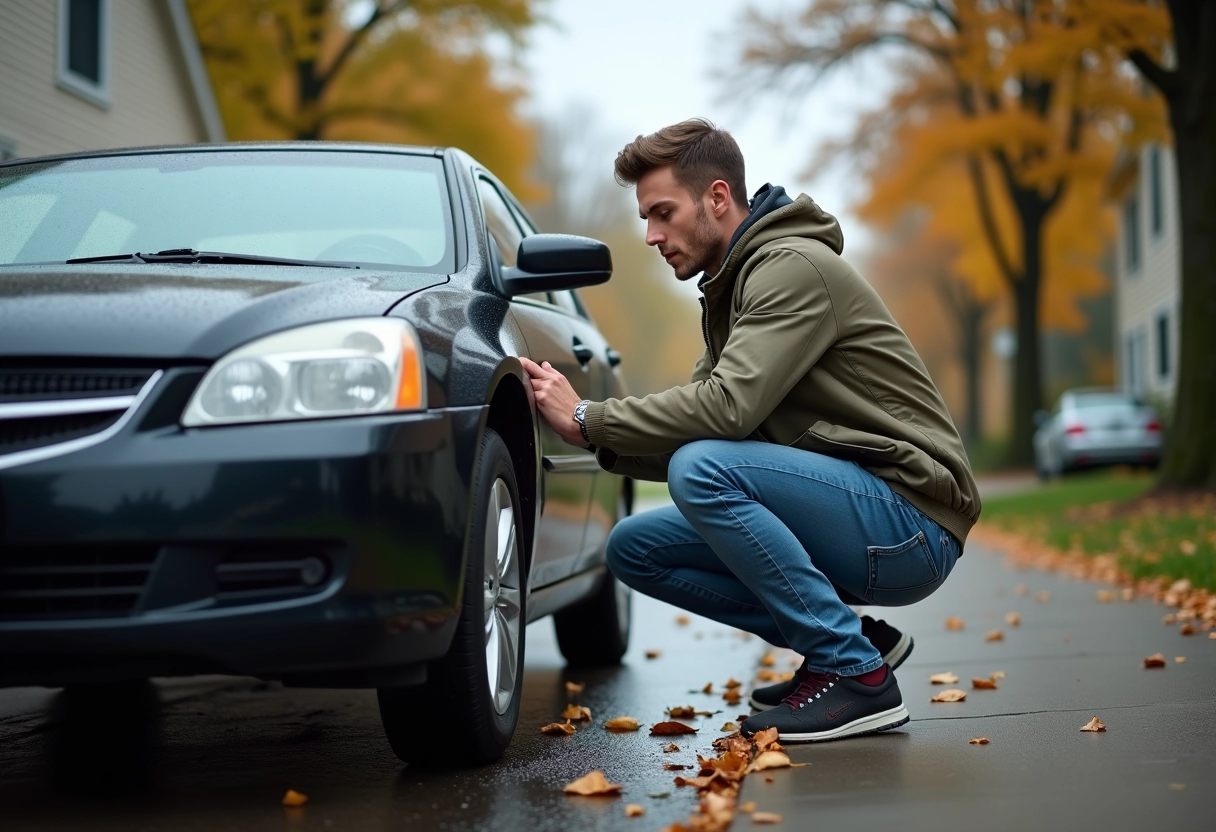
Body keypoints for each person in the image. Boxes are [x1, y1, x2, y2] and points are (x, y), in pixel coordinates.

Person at [519, 118, 981, 742]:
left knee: (702, 470)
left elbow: (725, 410)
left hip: (911, 521)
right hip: (860, 511)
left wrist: (587, 417)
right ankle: (852, 642)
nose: (652, 236)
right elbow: (700, 426)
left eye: (663, 213)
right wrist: (595, 437)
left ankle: (857, 674)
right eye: (646, 219)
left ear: (717, 197)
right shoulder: (733, 289)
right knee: (633, 547)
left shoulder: (791, 268)